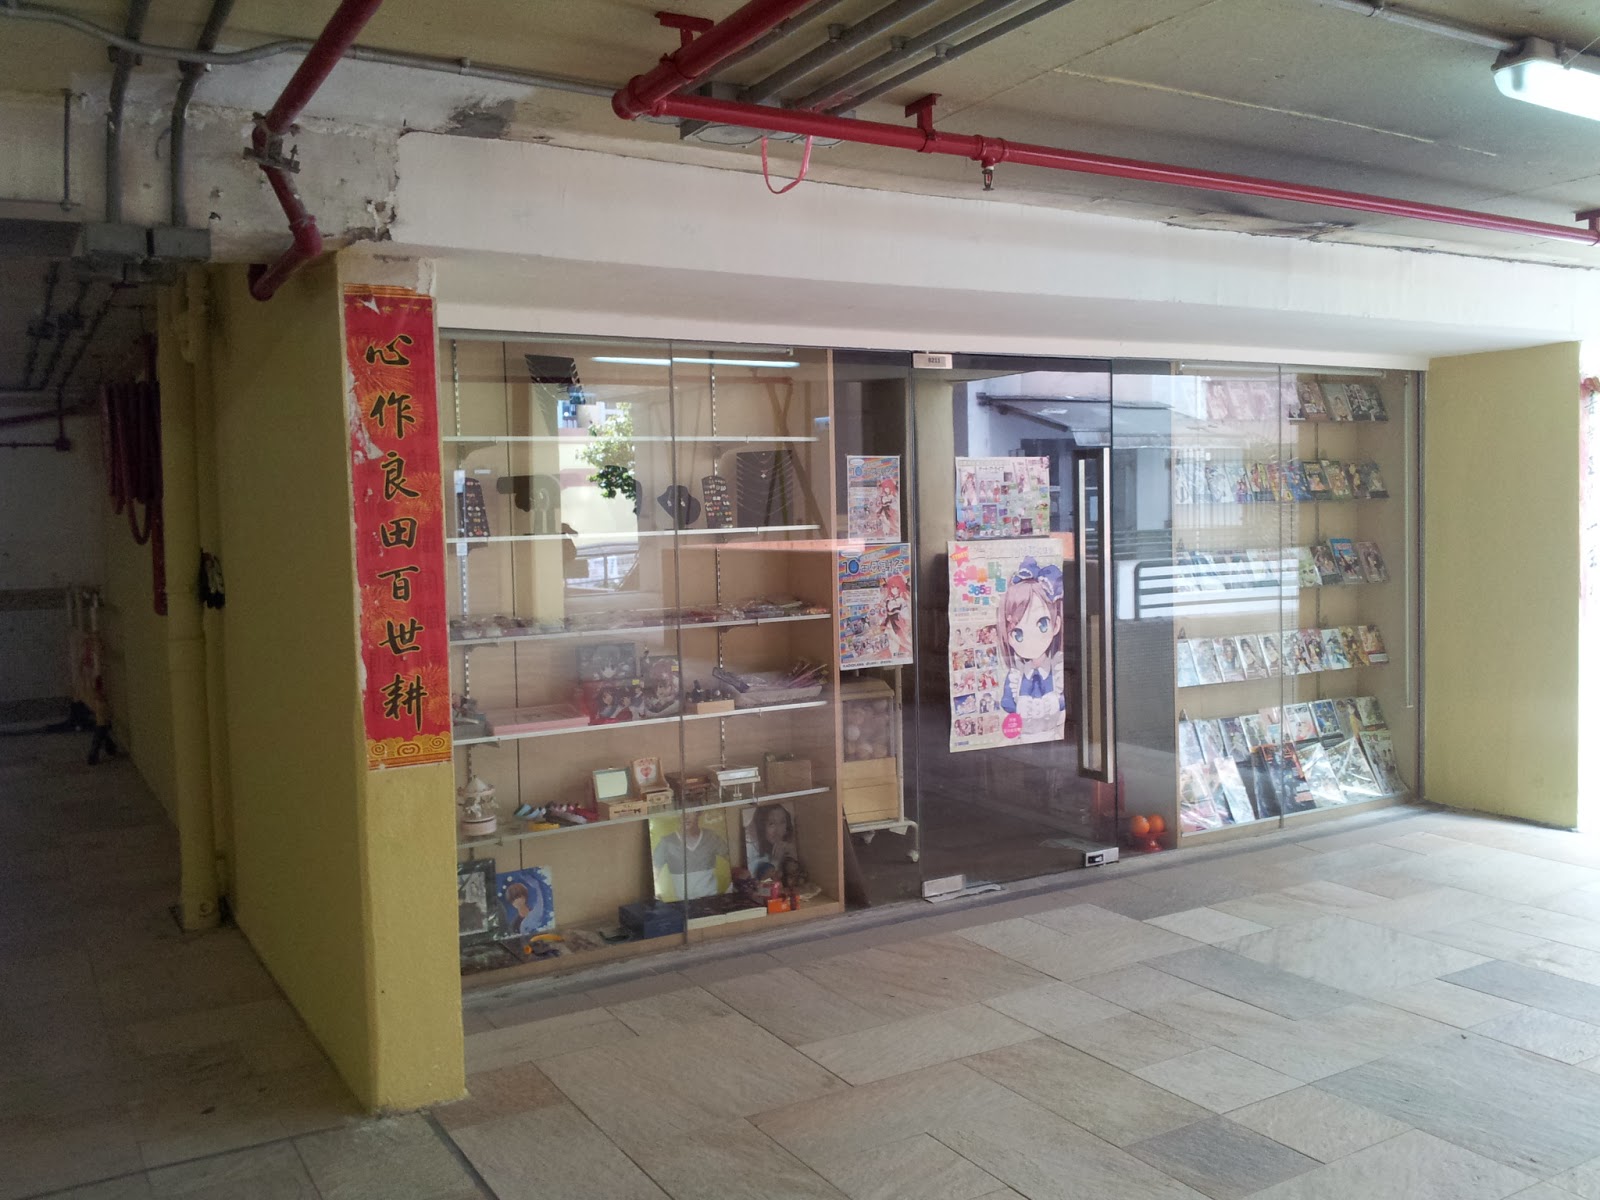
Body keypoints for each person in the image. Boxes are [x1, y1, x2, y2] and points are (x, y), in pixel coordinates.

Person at [998, 557, 1066, 742]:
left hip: (1056, 740)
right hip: (1021, 743)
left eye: (1042, 624)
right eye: (1018, 633)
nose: (1031, 640)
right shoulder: (1015, 678)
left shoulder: (1058, 670)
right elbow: (1009, 708)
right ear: (1008, 637)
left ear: (1056, 625)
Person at [651, 811, 729, 900]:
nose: (685, 816)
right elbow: (654, 874)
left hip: (711, 901)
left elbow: (733, 860)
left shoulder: (711, 837)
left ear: (698, 813)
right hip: (683, 904)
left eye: (690, 811)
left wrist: (731, 890)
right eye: (681, 812)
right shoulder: (667, 842)